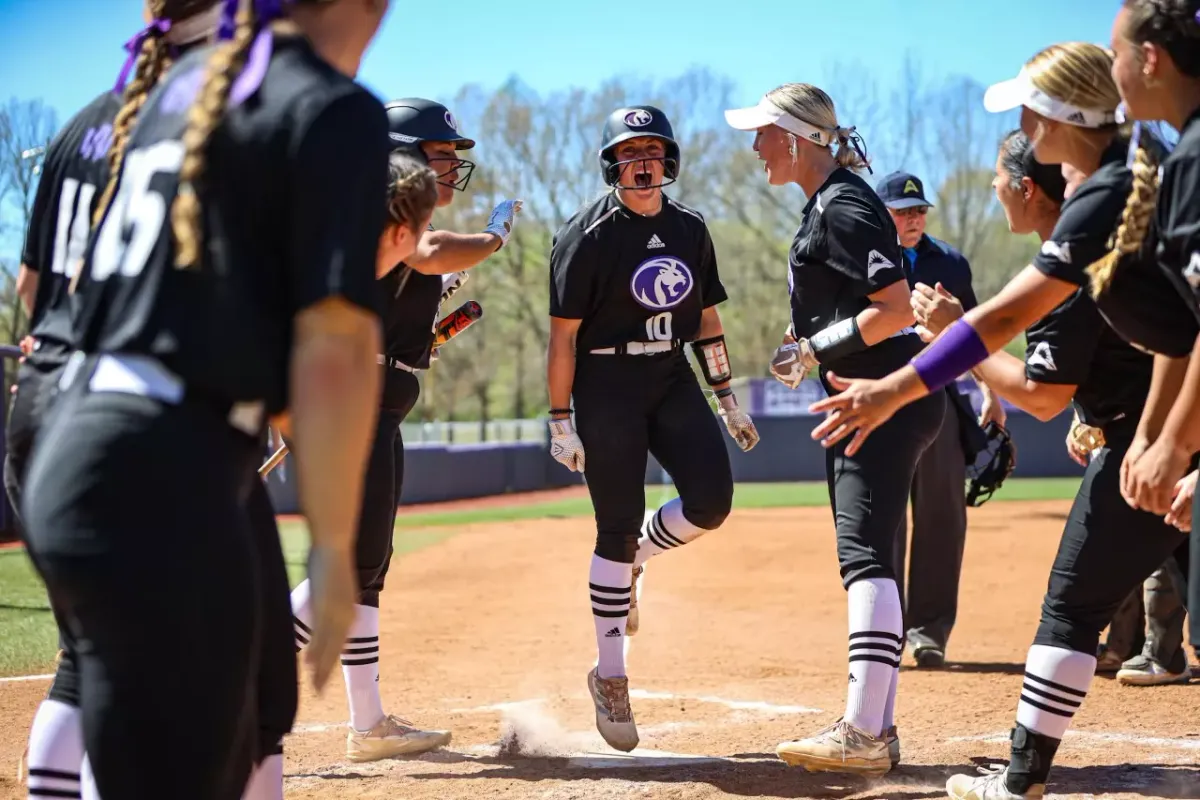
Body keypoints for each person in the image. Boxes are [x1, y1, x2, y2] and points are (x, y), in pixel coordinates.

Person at [20, 0, 396, 797]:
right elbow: (333, 345)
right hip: (159, 473)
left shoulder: (184, 85)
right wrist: (332, 548)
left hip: (95, 450)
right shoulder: (330, 107)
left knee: (225, 729)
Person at [805, 39, 1198, 799]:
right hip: (1154, 432)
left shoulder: (1111, 194)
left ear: (1055, 121)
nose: (997, 172)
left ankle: (1019, 782)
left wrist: (891, 390)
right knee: (1079, 601)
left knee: (1073, 603)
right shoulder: (1123, 186)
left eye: (1026, 112)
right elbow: (1173, 337)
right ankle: (1022, 778)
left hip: (1170, 436)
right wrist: (1141, 427)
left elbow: (1006, 327)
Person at [8, 3, 225, 797]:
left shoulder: (81, 124)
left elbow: (32, 285)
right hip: (118, 417)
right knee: (142, 672)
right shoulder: (197, 121)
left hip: (38, 407)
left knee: (86, 654)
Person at [288, 96, 521, 763]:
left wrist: (420, 338)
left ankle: (370, 724)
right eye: (440, 157)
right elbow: (429, 252)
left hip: (369, 398)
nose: (450, 170)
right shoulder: (378, 210)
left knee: (367, 570)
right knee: (349, 568)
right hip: (344, 402)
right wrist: (496, 238)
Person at [723, 84, 944, 776]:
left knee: (866, 557)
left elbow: (897, 307)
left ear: (796, 139)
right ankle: (876, 724)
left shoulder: (844, 203)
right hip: (870, 398)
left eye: (764, 133)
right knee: (869, 554)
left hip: (878, 400)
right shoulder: (830, 202)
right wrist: (807, 336)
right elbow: (855, 302)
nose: (755, 146)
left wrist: (817, 350)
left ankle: (865, 731)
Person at [547, 104, 758, 752]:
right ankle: (610, 675)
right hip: (605, 385)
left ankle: (640, 557)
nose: (642, 163)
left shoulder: (691, 228)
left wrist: (725, 396)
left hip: (671, 377)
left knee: (712, 502)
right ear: (613, 162)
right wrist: (560, 419)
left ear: (668, 161)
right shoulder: (585, 235)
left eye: (653, 151)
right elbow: (563, 340)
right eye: (630, 152)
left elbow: (707, 323)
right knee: (613, 525)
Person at [875, 169, 1001, 668]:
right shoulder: (867, 257)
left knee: (942, 517)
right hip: (881, 395)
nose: (913, 218)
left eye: (919, 210)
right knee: (880, 516)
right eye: (902, 211)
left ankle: (929, 632)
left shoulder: (948, 261)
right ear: (883, 214)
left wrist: (990, 389)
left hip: (939, 399)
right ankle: (883, 628)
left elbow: (975, 331)